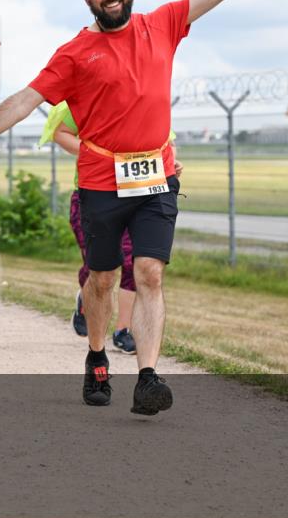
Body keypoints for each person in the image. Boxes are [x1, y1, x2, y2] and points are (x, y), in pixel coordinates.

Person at [0, 0, 288, 416]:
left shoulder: (164, 23)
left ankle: (148, 377)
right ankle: (96, 356)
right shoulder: (73, 54)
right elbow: (24, 100)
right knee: (103, 279)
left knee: (149, 272)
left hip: (156, 178)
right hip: (101, 184)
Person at [41, 104, 184, 353]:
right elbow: (61, 133)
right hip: (96, 195)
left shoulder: (147, 94)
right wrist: (102, 157)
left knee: (133, 263)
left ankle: (122, 330)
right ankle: (86, 301)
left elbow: (166, 141)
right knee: (101, 270)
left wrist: (171, 162)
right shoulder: (87, 96)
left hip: (140, 194)